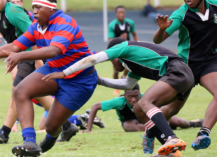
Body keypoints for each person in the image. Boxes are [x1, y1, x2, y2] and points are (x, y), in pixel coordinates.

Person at [0, 0, 98, 156]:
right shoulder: (36, 27)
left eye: (38, 7)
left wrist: (21, 55)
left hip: (79, 80)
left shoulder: (65, 22)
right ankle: (29, 141)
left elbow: (53, 50)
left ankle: (50, 139)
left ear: (51, 9)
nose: (34, 11)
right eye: (33, 7)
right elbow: (15, 46)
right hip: (54, 70)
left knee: (50, 127)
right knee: (20, 90)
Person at [42, 38, 194, 156]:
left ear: (116, 52)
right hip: (185, 75)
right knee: (139, 109)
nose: (113, 64)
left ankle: (170, 138)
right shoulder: (133, 63)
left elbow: (93, 59)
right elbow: (128, 84)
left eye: (112, 60)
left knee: (146, 102)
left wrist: (65, 72)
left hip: (176, 71)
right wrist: (100, 81)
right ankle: (171, 152)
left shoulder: (122, 48)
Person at [0, 0, 55, 144]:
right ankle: (67, 124)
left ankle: (5, 133)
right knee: (33, 93)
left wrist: (37, 60)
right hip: (23, 55)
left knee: (18, 91)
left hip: (30, 54)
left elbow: (34, 32)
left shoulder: (13, 11)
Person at [152, 0, 217, 152]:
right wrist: (161, 28)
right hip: (186, 67)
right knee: (172, 109)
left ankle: (203, 133)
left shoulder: (215, 7)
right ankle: (151, 130)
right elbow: (158, 40)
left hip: (209, 63)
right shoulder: (181, 14)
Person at [84, 84, 203, 134]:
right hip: (130, 121)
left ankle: (194, 123)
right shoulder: (119, 101)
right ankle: (162, 129)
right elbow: (95, 106)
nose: (134, 100)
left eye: (136, 96)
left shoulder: (145, 98)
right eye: (130, 97)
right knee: (130, 127)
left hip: (147, 118)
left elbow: (160, 110)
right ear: (125, 96)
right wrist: (88, 129)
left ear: (139, 93)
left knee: (181, 123)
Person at [108, 6, 139, 96]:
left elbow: (134, 34)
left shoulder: (130, 23)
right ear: (116, 14)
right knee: (116, 70)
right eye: (119, 13)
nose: (121, 14)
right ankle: (116, 87)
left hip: (127, 49)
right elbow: (111, 40)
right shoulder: (112, 25)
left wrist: (138, 44)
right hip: (116, 50)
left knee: (129, 66)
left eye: (123, 13)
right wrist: (120, 39)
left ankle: (124, 76)